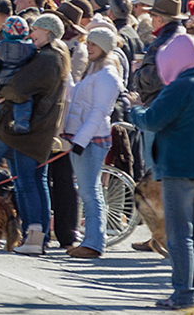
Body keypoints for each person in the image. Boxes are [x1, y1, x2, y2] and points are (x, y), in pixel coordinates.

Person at [131, 32, 194, 310]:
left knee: (179, 233)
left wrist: (134, 109)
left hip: (178, 167)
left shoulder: (180, 86)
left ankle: (183, 293)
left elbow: (152, 119)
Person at [0, 13, 69, 255]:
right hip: (35, 130)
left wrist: (2, 92)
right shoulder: (55, 57)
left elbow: (21, 87)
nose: (31, 35)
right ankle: (35, 237)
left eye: (36, 30)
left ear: (48, 32)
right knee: (30, 182)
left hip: (16, 127)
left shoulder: (47, 59)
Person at [63, 26, 125, 259]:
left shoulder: (107, 75)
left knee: (91, 192)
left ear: (104, 48)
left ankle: (94, 243)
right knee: (89, 191)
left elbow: (99, 112)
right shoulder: (93, 71)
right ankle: (90, 240)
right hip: (84, 138)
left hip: (91, 140)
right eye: (87, 43)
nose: (87, 48)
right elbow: (78, 100)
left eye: (93, 45)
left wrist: (79, 141)